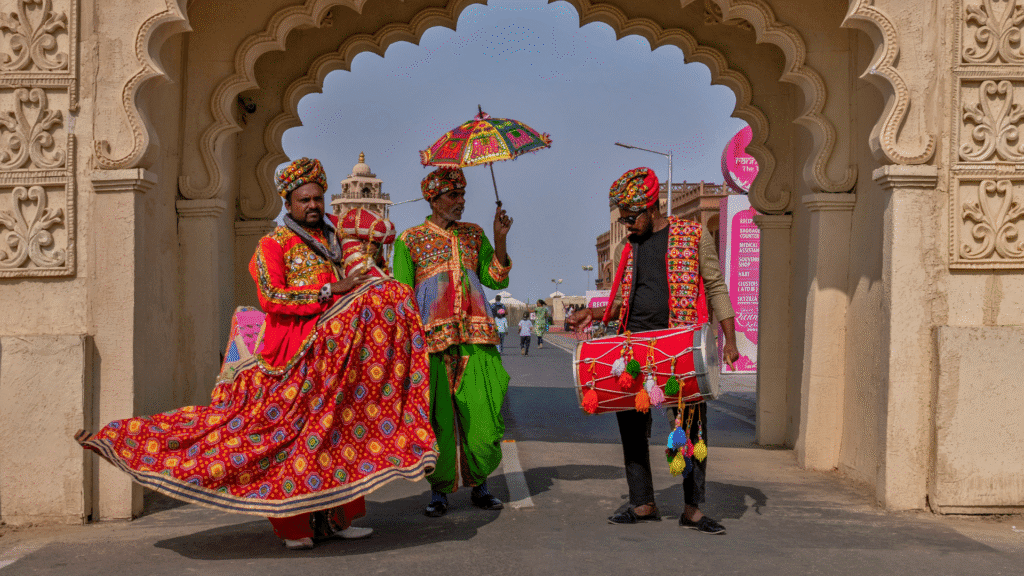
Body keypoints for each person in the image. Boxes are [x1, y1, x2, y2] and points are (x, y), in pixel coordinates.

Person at [76, 159, 438, 550]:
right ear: (288, 202)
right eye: (305, 200)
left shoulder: (337, 239)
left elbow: (373, 254)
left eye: (318, 197)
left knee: (337, 433)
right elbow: (273, 297)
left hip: (335, 358)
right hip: (290, 355)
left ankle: (337, 519)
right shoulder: (273, 244)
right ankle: (294, 527)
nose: (314, 205)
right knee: (288, 442)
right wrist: (329, 292)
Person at [568, 166, 739, 535]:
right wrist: (591, 312)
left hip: (677, 346)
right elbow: (620, 302)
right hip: (632, 346)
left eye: (631, 218)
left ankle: (693, 509)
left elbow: (715, 286)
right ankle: (643, 502)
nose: (627, 225)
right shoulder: (625, 248)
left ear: (653, 208)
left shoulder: (692, 235)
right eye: (623, 218)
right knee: (631, 427)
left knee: (690, 429)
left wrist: (730, 339)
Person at [393, 167, 513, 517]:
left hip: (477, 337)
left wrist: (500, 238)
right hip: (431, 343)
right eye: (453, 195)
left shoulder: (474, 235)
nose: (461, 201)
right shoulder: (409, 240)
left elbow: (493, 277)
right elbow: (401, 294)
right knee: (438, 420)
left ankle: (480, 484)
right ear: (433, 199)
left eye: (462, 195)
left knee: (483, 419)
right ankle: (440, 491)